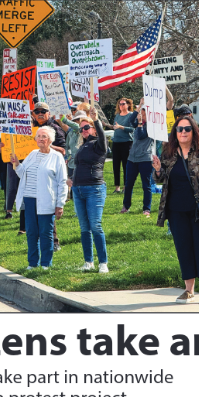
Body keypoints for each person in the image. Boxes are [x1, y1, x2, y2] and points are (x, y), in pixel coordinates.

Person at [153, 115, 199, 304]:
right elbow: (160, 180)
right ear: (175, 132)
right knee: (183, 247)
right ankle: (188, 290)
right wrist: (157, 170)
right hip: (176, 209)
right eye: (180, 129)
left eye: (187, 129)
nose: (183, 132)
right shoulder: (169, 153)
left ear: (194, 132)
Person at [11, 126, 67, 270]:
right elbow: (22, 173)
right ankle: (32, 262)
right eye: (39, 136)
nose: (41, 139)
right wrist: (17, 163)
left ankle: (46, 263)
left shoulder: (56, 157)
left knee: (45, 232)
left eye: (44, 136)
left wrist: (60, 204)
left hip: (46, 200)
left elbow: (62, 181)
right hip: (29, 199)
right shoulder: (32, 154)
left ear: (50, 140)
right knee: (31, 232)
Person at [68, 107, 109, 273]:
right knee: (84, 228)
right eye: (81, 129)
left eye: (86, 127)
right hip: (78, 190)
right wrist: (72, 181)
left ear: (93, 128)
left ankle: (103, 263)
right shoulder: (82, 146)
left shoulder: (98, 145)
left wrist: (97, 120)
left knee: (95, 226)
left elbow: (104, 141)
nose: (83, 131)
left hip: (95, 189)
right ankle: (88, 262)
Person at [32, 101, 67, 250]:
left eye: (43, 111)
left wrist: (47, 145)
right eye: (37, 111)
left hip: (49, 174)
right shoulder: (31, 129)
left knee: (47, 209)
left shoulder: (54, 128)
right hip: (35, 173)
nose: (40, 113)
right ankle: (38, 240)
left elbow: (64, 150)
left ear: (48, 113)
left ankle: (54, 241)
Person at [122, 105, 154, 217]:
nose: (142, 116)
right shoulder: (139, 123)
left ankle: (146, 208)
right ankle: (126, 206)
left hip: (145, 159)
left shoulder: (151, 126)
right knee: (129, 183)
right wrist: (138, 108)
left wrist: (140, 123)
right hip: (132, 159)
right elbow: (131, 120)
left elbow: (141, 135)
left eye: (144, 114)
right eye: (142, 113)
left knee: (146, 185)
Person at [111, 97, 137, 194]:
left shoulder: (131, 115)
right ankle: (117, 187)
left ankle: (126, 187)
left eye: (123, 104)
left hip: (126, 143)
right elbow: (115, 126)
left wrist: (121, 127)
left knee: (126, 165)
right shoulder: (117, 116)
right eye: (120, 104)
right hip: (116, 142)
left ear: (128, 105)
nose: (121, 106)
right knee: (116, 166)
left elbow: (132, 129)